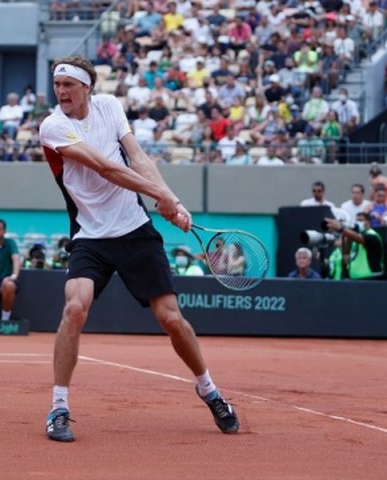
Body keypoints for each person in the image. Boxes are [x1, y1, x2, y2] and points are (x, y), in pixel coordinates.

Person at [39, 55, 238, 442]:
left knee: (171, 319)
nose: (61, 91)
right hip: (90, 235)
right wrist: (162, 197)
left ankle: (209, 390)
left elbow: (138, 158)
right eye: (57, 84)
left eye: (69, 85)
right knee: (74, 307)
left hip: (134, 229)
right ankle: (58, 408)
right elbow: (106, 168)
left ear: (87, 88)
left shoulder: (110, 107)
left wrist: (172, 200)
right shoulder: (53, 126)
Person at [324, 212, 384, 280]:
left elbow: (359, 238)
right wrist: (347, 230)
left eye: (360, 220)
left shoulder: (372, 235)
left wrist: (341, 228)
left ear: (368, 223)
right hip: (355, 277)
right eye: (356, 220)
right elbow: (346, 253)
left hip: (370, 276)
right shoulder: (355, 236)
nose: (357, 223)